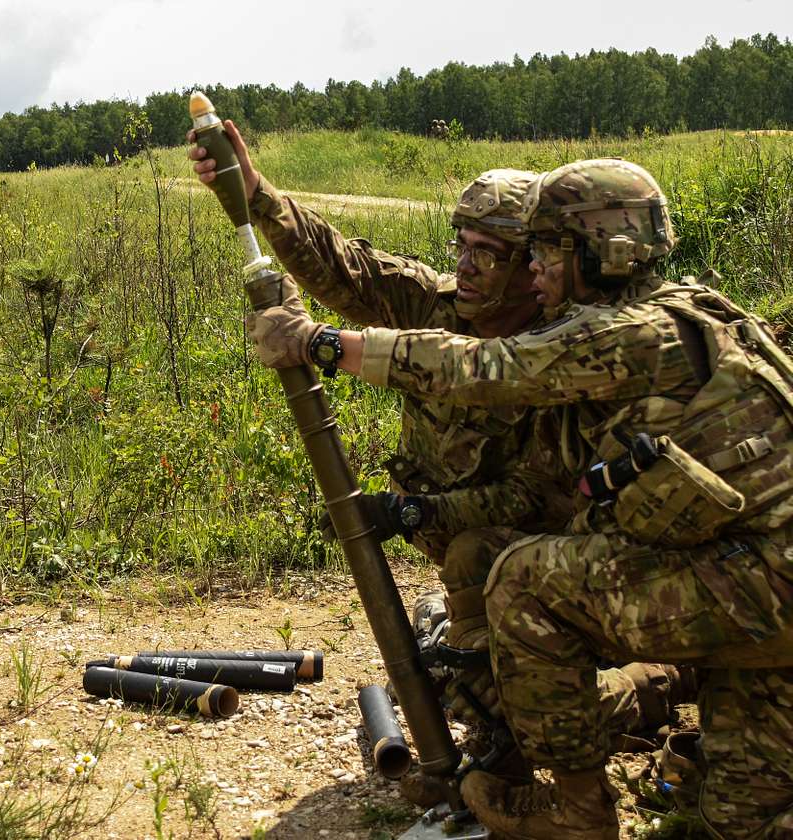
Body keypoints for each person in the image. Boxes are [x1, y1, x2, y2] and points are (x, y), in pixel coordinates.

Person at [240, 155, 793, 838]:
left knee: (525, 584)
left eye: (546, 252)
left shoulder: (632, 334)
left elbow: (485, 369)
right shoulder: (693, 314)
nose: (536, 268)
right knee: (739, 821)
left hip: (759, 588)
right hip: (753, 588)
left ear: (599, 252)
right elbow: (356, 274)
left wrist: (321, 344)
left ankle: (578, 812)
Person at [190, 128, 694, 780]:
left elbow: (539, 498)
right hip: (477, 575)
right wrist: (257, 195)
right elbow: (345, 267)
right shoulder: (438, 307)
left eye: (492, 252)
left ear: (536, 263)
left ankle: (664, 683)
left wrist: (412, 512)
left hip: (552, 578)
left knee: (518, 712)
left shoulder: (570, 358)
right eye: (462, 244)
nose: (467, 264)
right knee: (453, 676)